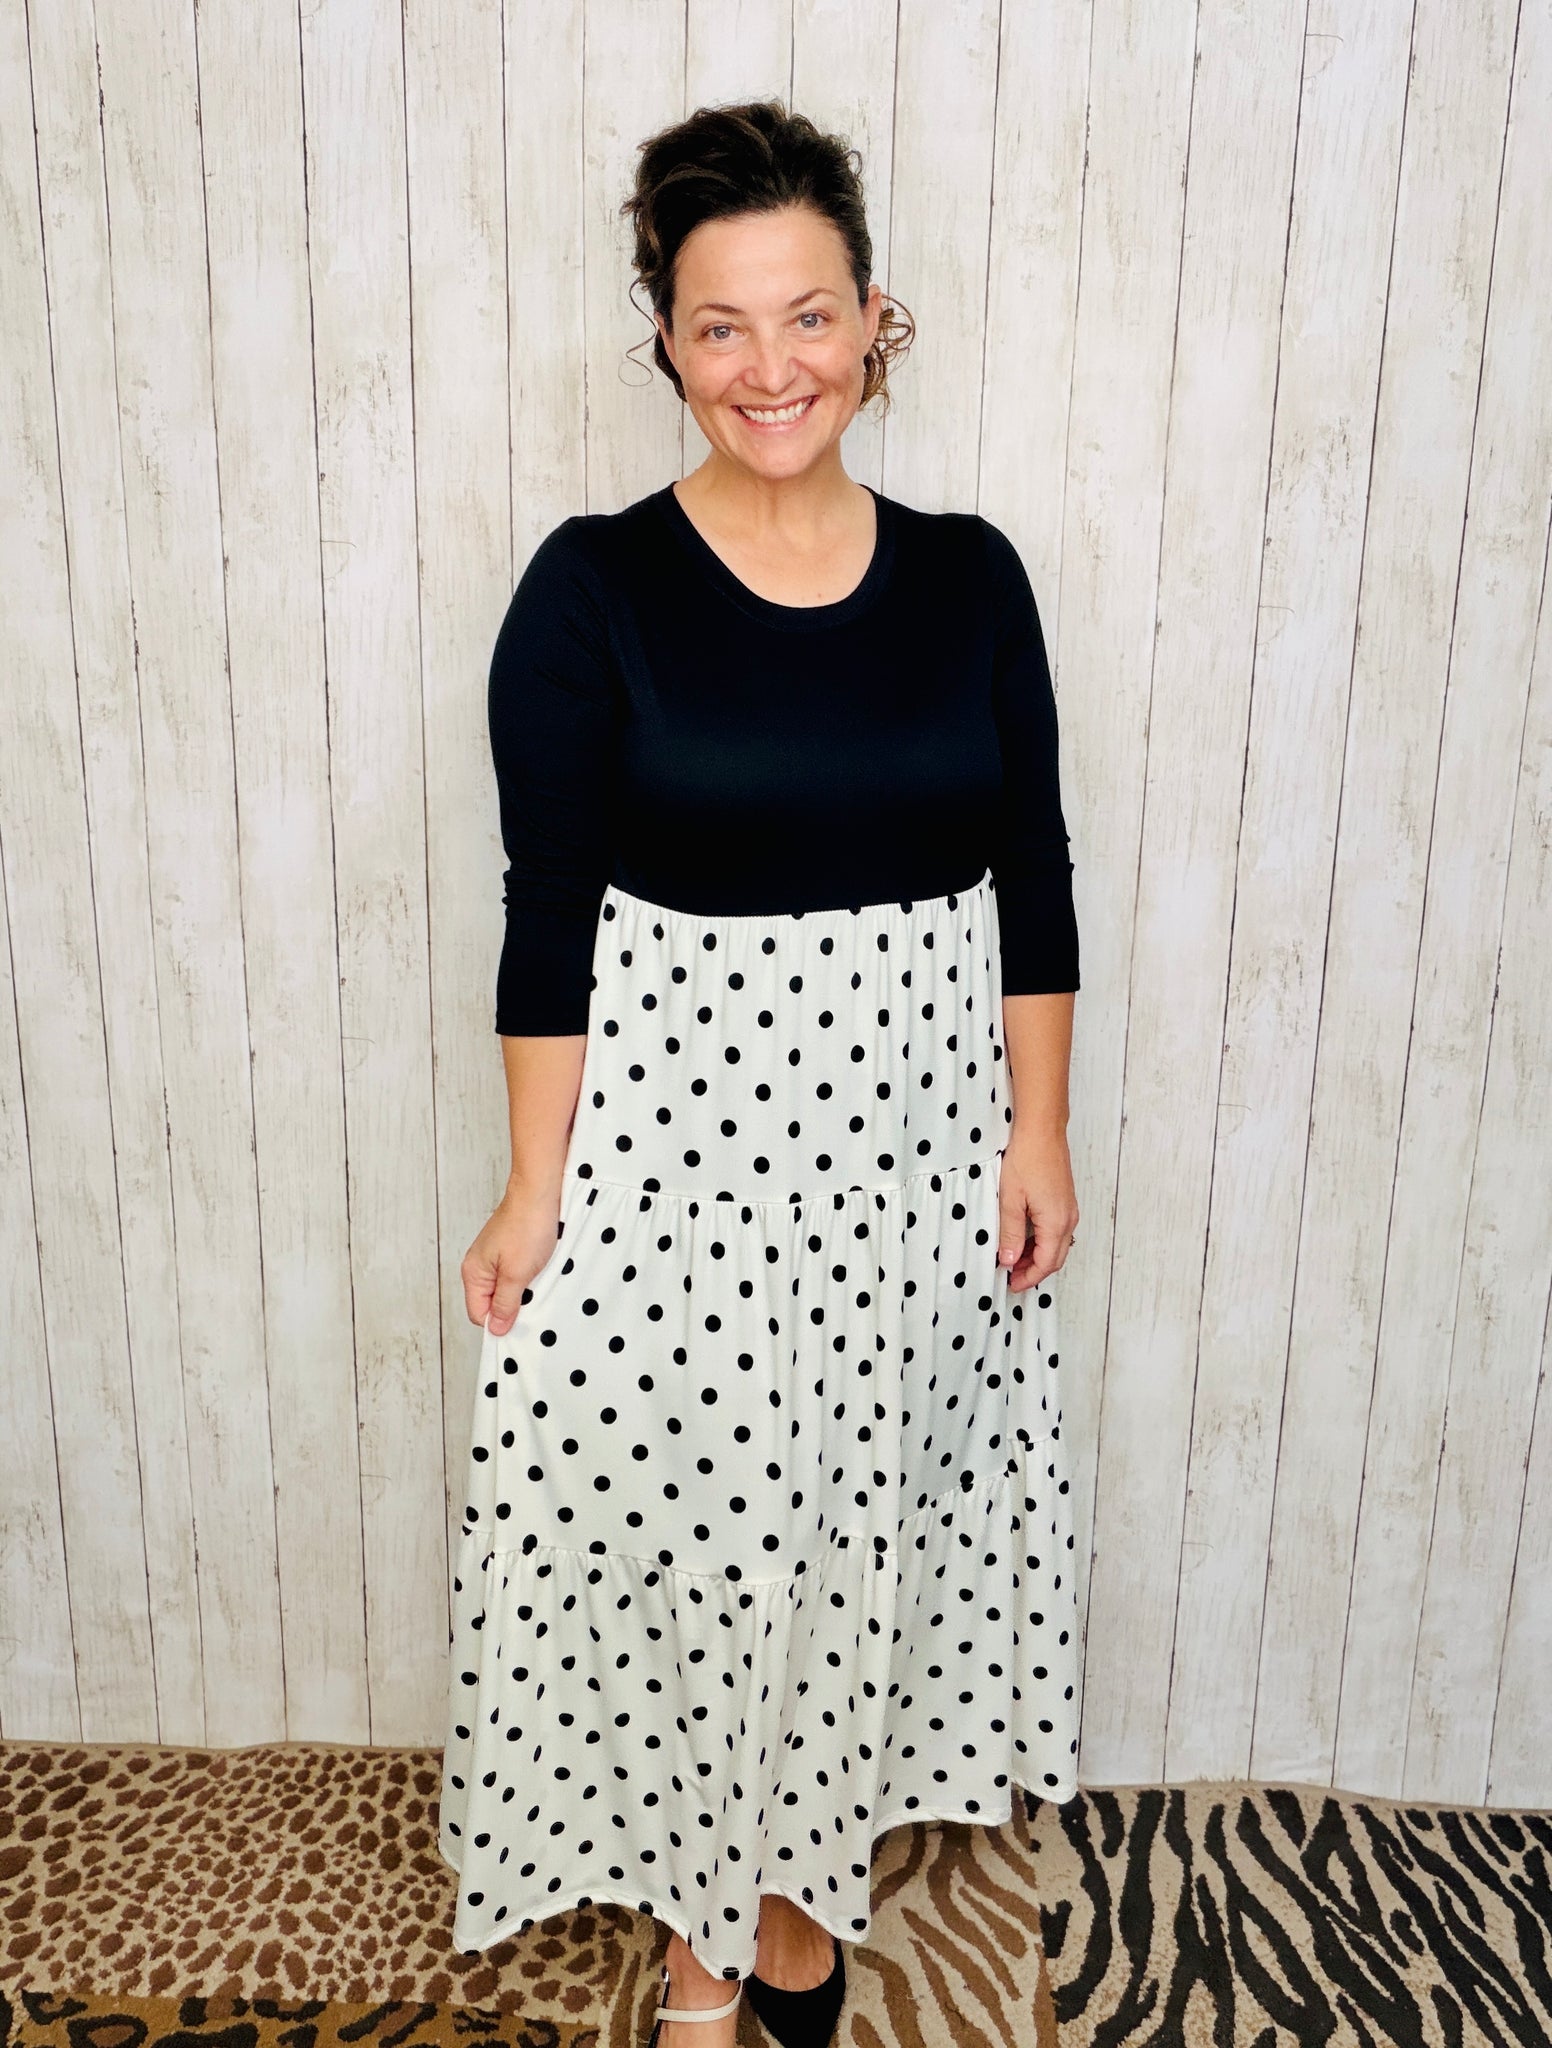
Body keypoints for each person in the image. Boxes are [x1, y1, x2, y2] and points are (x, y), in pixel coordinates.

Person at [438, 100, 1082, 2048]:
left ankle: (795, 1901)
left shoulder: (972, 581)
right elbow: (549, 906)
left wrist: (1038, 1129)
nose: (770, 366)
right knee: (707, 1549)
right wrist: (533, 1184)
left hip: (916, 1149)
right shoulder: (590, 590)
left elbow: (1031, 869)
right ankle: (706, 1950)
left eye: (808, 315)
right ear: (663, 338)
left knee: (862, 1533)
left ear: (873, 319)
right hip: (679, 1161)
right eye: (720, 325)